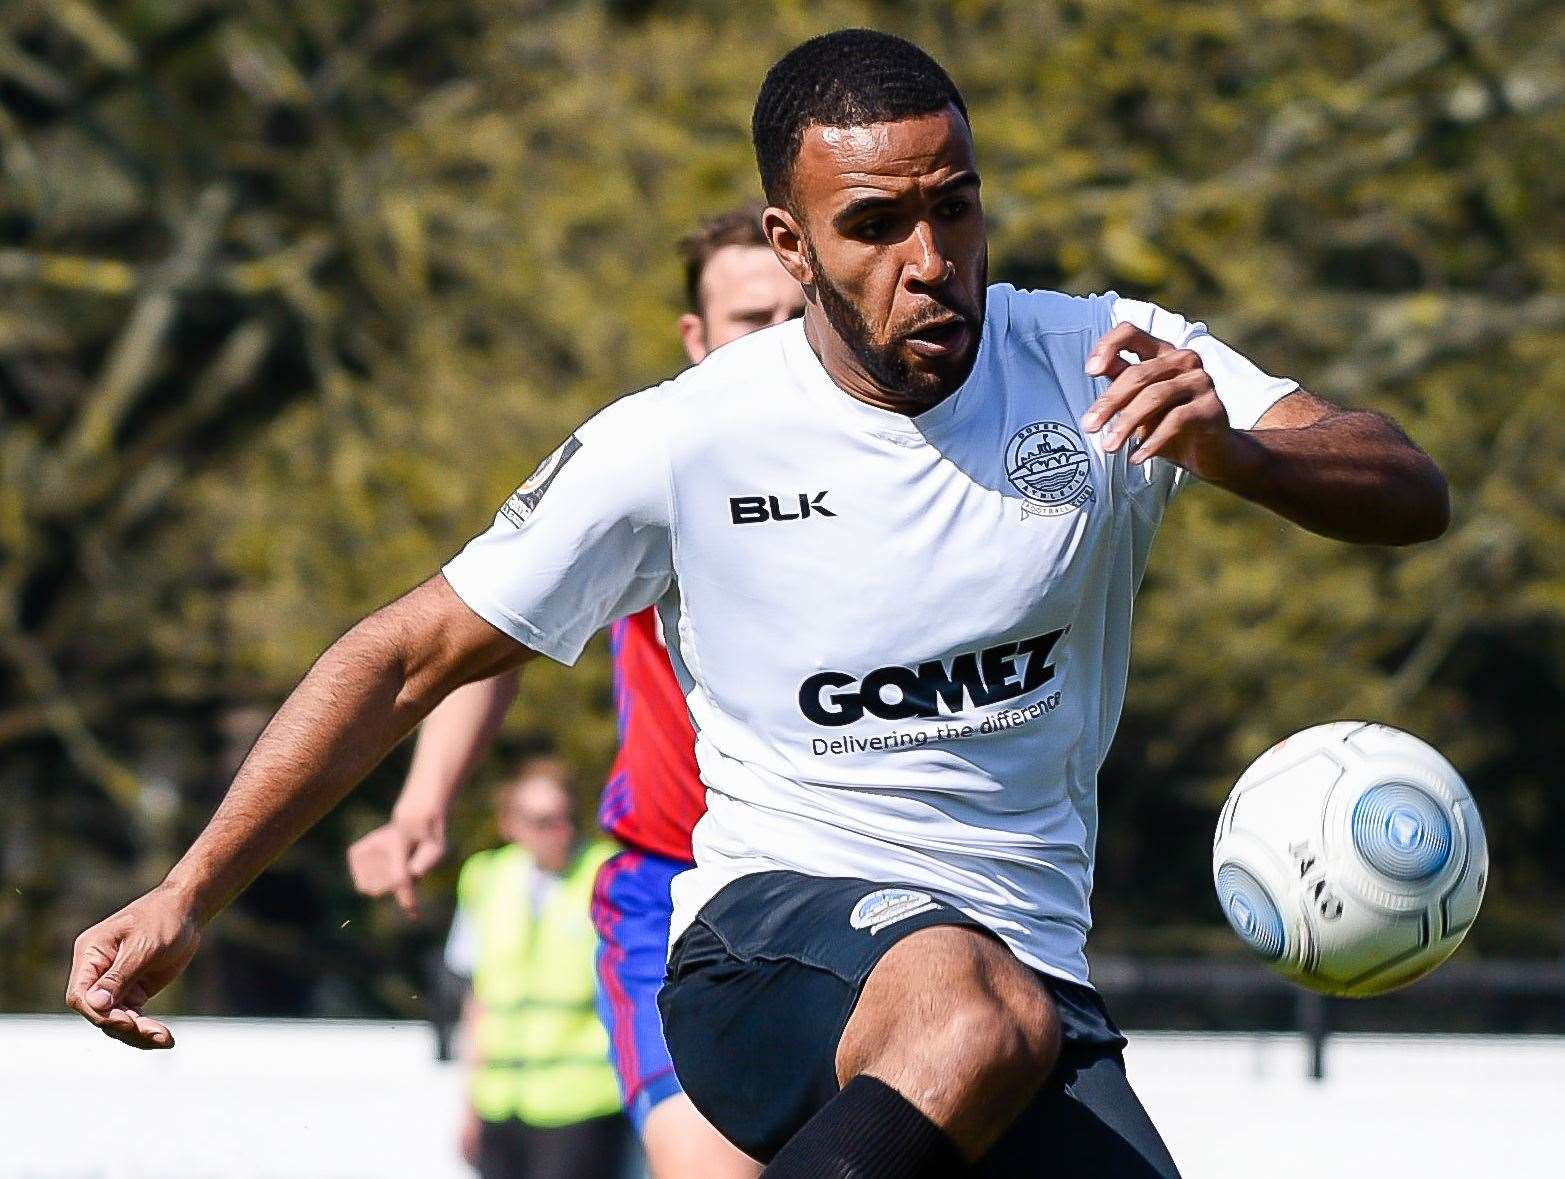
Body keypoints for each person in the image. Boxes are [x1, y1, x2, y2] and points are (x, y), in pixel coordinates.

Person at [65, 27, 1451, 1179]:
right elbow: (404, 653)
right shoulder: (684, 440)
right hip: (766, 945)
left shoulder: (1103, 359)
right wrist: (193, 888)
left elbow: (1405, 483)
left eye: (954, 205)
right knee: (967, 1007)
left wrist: (1243, 452)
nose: (930, 254)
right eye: (875, 223)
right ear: (789, 245)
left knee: (991, 1007)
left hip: (1031, 989)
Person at [347, 204, 798, 1179]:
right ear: (696, 338)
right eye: (749, 321)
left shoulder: (902, 472)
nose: (776, 343)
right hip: (676, 897)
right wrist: (423, 803)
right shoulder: (653, 468)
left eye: (797, 316)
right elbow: (492, 633)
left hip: (862, 889)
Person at [444, 758, 627, 1179]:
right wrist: (469, 1104)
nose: (560, 832)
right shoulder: (485, 877)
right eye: (544, 821)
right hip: (501, 1101)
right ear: (511, 824)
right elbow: (478, 999)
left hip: (583, 1103)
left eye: (567, 818)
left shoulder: (609, 874)